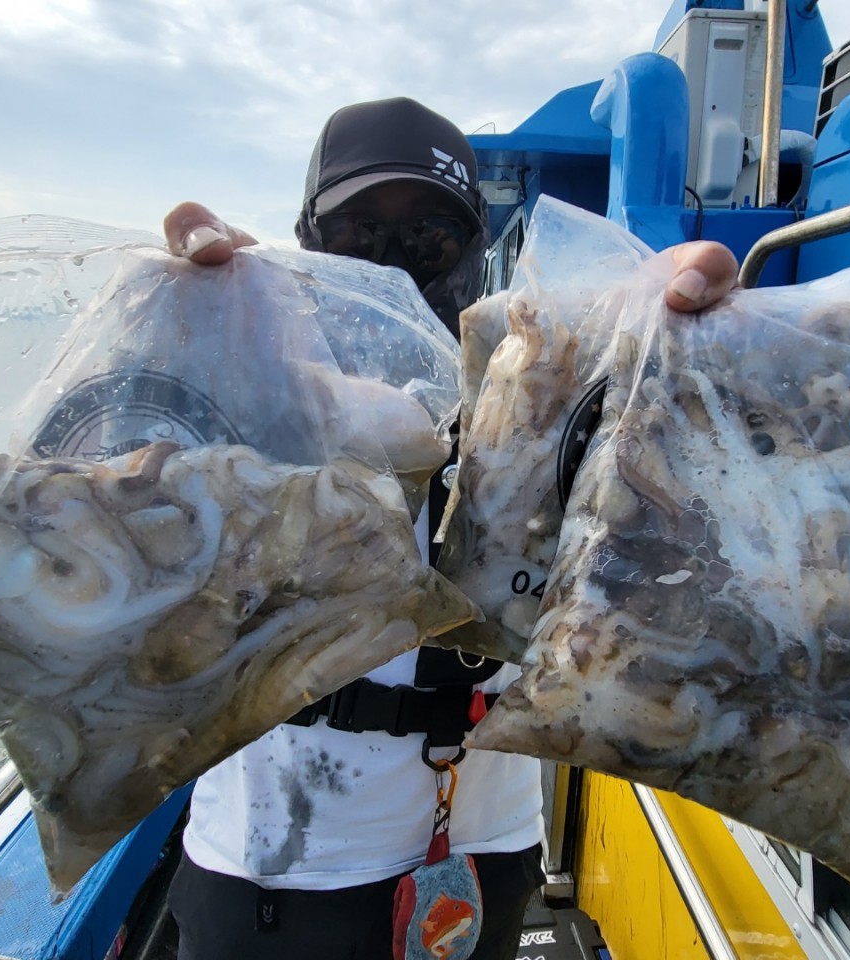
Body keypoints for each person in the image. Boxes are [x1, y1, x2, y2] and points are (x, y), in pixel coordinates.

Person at [160, 96, 738, 960]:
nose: (395, 264)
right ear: (307, 242)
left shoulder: (552, 372)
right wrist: (170, 329)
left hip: (483, 856)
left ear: (475, 251)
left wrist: (694, 339)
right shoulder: (255, 375)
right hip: (272, 872)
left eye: (430, 237)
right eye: (357, 235)